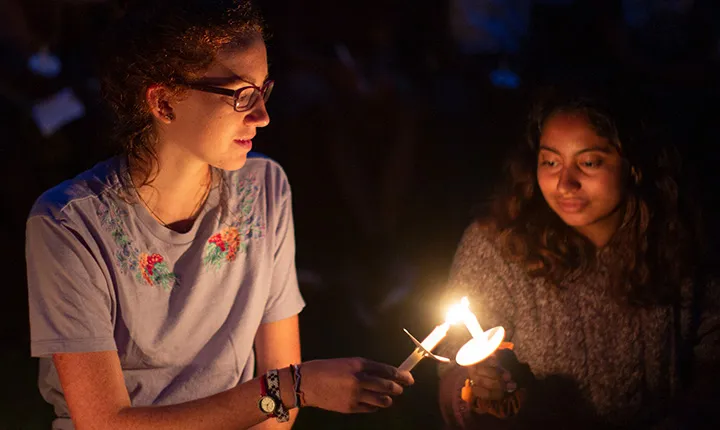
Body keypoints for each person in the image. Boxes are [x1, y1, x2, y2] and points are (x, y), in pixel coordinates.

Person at [25, 1, 413, 429]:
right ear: (164, 103)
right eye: (241, 95)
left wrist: (286, 392)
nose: (262, 117)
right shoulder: (69, 224)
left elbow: (279, 407)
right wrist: (289, 389)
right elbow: (104, 424)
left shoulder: (263, 188)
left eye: (263, 91)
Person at [437, 87, 719, 428]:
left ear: (634, 166)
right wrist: (479, 389)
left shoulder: (679, 241)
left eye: (589, 162)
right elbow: (456, 367)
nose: (565, 183)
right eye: (551, 162)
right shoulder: (499, 245)